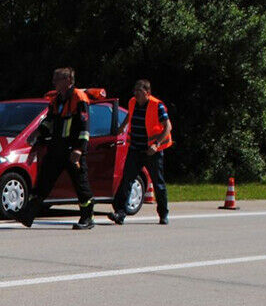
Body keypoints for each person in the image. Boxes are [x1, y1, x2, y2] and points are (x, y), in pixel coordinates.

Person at [18, 67, 95, 231]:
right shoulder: (57, 99)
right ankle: (28, 214)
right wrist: (38, 133)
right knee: (44, 179)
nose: (54, 82)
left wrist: (79, 149)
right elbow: (50, 120)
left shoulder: (79, 98)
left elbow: (84, 126)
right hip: (57, 148)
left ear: (68, 81)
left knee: (80, 184)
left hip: (72, 150)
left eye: (57, 79)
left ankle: (87, 218)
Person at [110, 79, 171, 225]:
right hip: (135, 149)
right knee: (127, 180)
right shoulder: (132, 102)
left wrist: (156, 145)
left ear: (147, 93)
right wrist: (121, 128)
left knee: (158, 184)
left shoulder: (157, 105)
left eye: (139, 90)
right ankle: (120, 213)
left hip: (152, 151)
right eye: (135, 90)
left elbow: (167, 127)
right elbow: (129, 116)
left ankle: (163, 214)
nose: (136, 93)